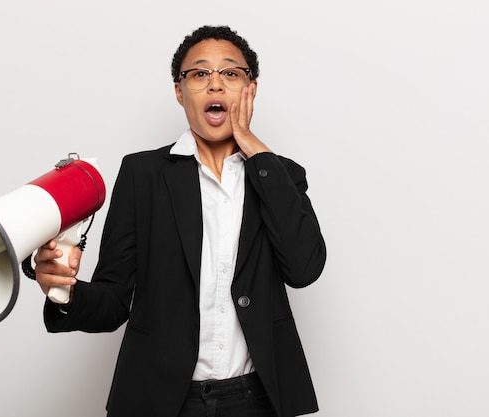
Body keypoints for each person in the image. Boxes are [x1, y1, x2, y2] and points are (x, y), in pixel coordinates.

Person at [34, 25, 326, 417]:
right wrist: (65, 291)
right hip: (159, 398)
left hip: (257, 399)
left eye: (231, 74)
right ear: (179, 90)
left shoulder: (281, 176)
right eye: (200, 74)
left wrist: (255, 149)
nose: (215, 85)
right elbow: (114, 300)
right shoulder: (143, 174)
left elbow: (304, 268)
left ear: (250, 89)